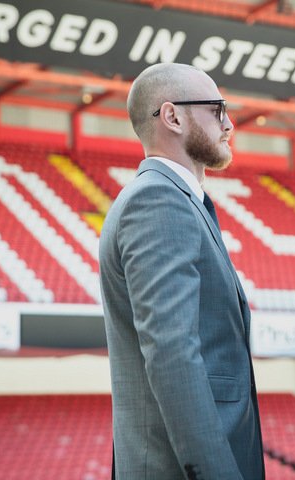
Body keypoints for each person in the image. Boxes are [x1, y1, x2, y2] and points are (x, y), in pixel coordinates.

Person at [99, 62, 264, 480]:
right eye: (217, 109)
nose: (229, 123)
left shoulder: (177, 199)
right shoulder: (157, 199)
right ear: (172, 116)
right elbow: (172, 350)